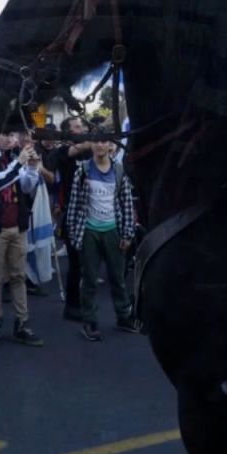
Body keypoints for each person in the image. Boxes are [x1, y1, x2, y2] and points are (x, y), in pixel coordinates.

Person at [63, 138, 140, 340]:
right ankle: (89, 320)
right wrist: (73, 232)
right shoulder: (83, 169)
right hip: (89, 230)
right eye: (96, 141)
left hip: (113, 230)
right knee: (89, 279)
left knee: (117, 278)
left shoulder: (119, 170)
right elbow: (75, 202)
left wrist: (127, 234)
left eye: (104, 141)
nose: (99, 145)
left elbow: (126, 203)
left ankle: (123, 316)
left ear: (110, 146)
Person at [0, 131, 45, 347]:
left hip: (17, 225)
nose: (11, 139)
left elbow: (25, 186)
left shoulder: (13, 158)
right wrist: (20, 164)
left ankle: (21, 323)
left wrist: (31, 167)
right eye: (6, 135)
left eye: (11, 135)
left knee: (18, 276)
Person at [43, 116, 94, 322]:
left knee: (89, 262)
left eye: (82, 126)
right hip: (72, 213)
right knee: (76, 262)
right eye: (76, 127)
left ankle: (86, 302)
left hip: (94, 210)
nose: (81, 129)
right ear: (66, 133)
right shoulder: (62, 152)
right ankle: (72, 306)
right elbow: (71, 152)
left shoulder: (91, 150)